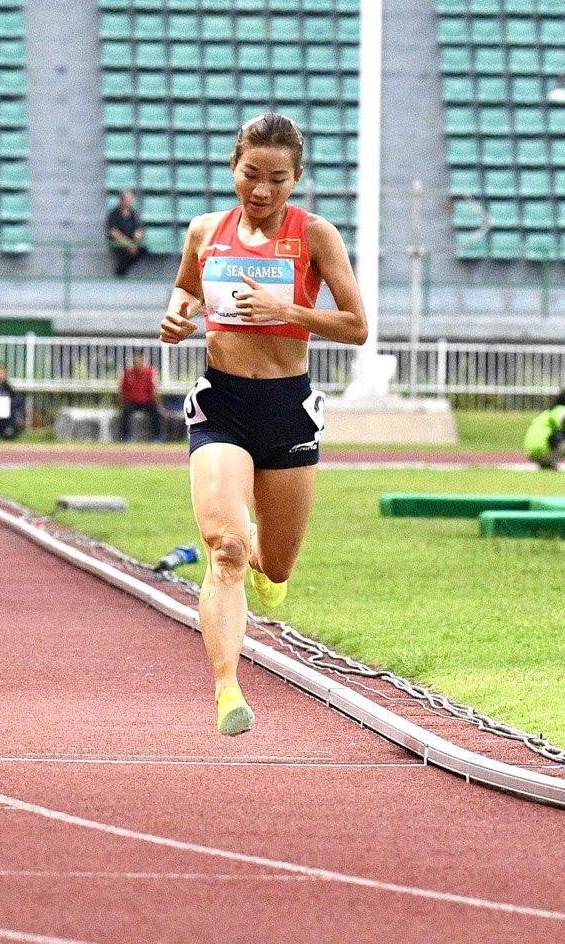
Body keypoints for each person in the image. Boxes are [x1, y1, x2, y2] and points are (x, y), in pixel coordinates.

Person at [160, 112, 367, 737]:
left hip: (286, 407)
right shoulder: (204, 232)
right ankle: (228, 689)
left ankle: (265, 567)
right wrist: (176, 318)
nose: (261, 190)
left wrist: (289, 310)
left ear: (296, 180)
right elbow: (185, 294)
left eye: (277, 179)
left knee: (273, 565)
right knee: (223, 548)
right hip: (221, 402)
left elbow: (356, 326)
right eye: (251, 174)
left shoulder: (316, 236)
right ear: (233, 169)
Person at [118, 351, 164, 442]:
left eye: (139, 362)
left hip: (146, 402)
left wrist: (160, 406)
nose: (137, 365)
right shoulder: (127, 373)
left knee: (155, 412)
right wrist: (118, 403)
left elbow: (154, 390)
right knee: (125, 412)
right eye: (135, 362)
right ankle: (125, 436)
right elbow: (122, 390)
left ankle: (158, 436)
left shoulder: (148, 372)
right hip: (132, 402)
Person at [106, 190, 147, 277]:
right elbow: (113, 232)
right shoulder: (114, 214)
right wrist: (128, 244)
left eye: (130, 199)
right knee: (124, 252)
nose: (129, 201)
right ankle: (120, 272)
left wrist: (136, 240)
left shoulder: (134, 214)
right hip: (118, 243)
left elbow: (138, 229)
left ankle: (121, 271)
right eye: (127, 199)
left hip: (132, 242)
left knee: (143, 249)